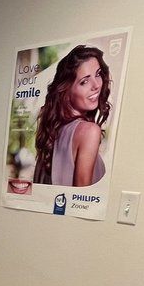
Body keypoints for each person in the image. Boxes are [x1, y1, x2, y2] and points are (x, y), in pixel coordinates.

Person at [34, 45, 111, 187]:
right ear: (66, 90)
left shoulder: (51, 131)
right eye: (84, 81)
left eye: (98, 74)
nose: (96, 85)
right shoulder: (89, 131)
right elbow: (80, 200)